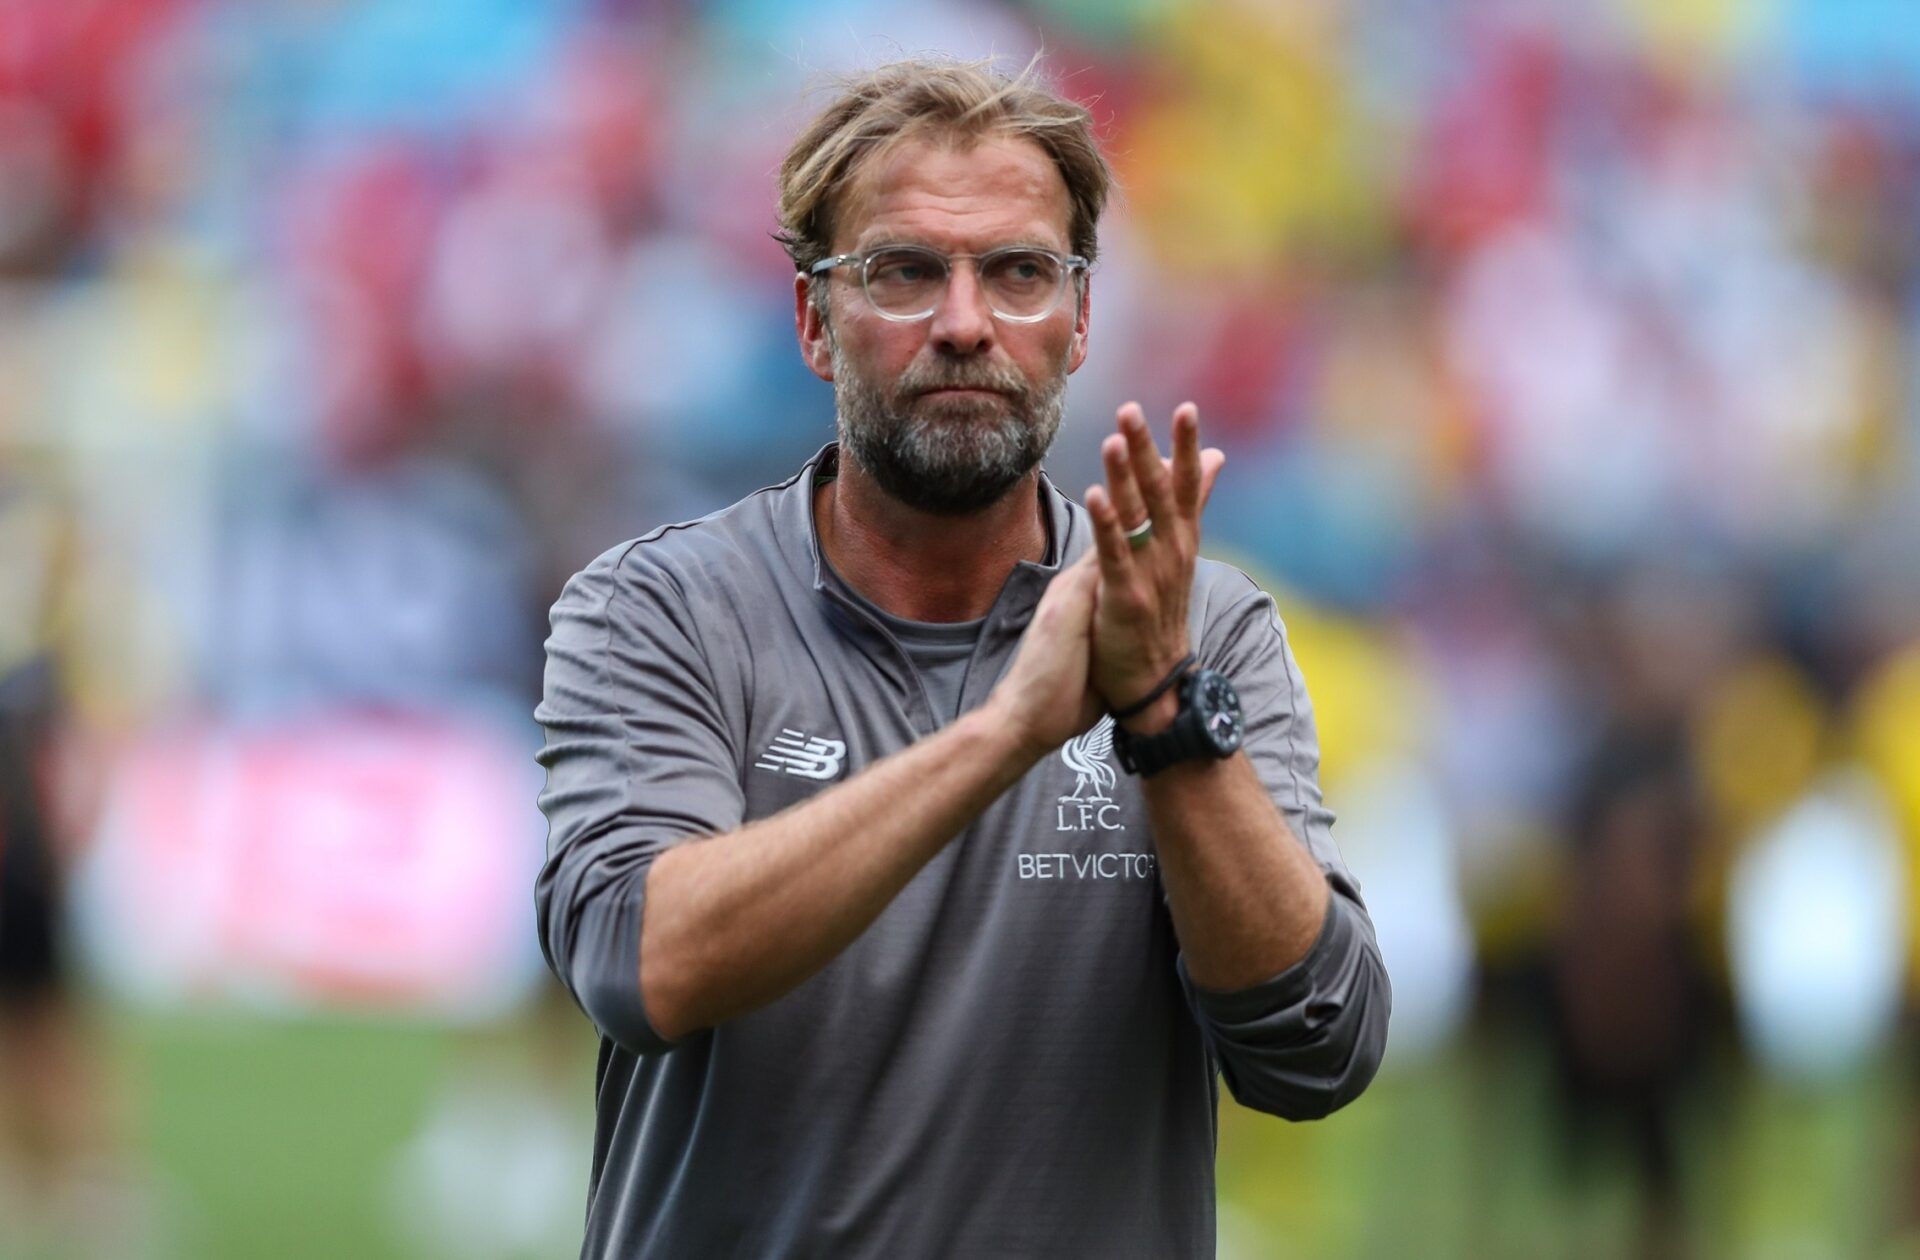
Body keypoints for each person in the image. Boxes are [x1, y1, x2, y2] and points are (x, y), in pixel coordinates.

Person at [534, 58, 1390, 1257]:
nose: (965, 322)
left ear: (1082, 320)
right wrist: (1003, 733)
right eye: (904, 271)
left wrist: (1159, 709)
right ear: (812, 320)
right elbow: (642, 962)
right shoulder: (660, 611)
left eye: (1021, 272)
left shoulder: (1202, 630)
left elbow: (1320, 1047)